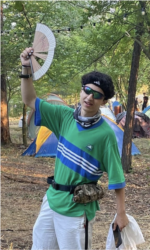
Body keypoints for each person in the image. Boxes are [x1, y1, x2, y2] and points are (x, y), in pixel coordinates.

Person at [20, 47, 129, 250]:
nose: (89, 97)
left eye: (96, 95)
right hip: (51, 201)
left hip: (77, 210)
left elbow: (117, 177)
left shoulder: (105, 134)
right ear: (81, 91)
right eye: (86, 90)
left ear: (104, 101)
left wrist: (120, 213)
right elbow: (29, 100)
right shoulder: (64, 116)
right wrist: (26, 67)